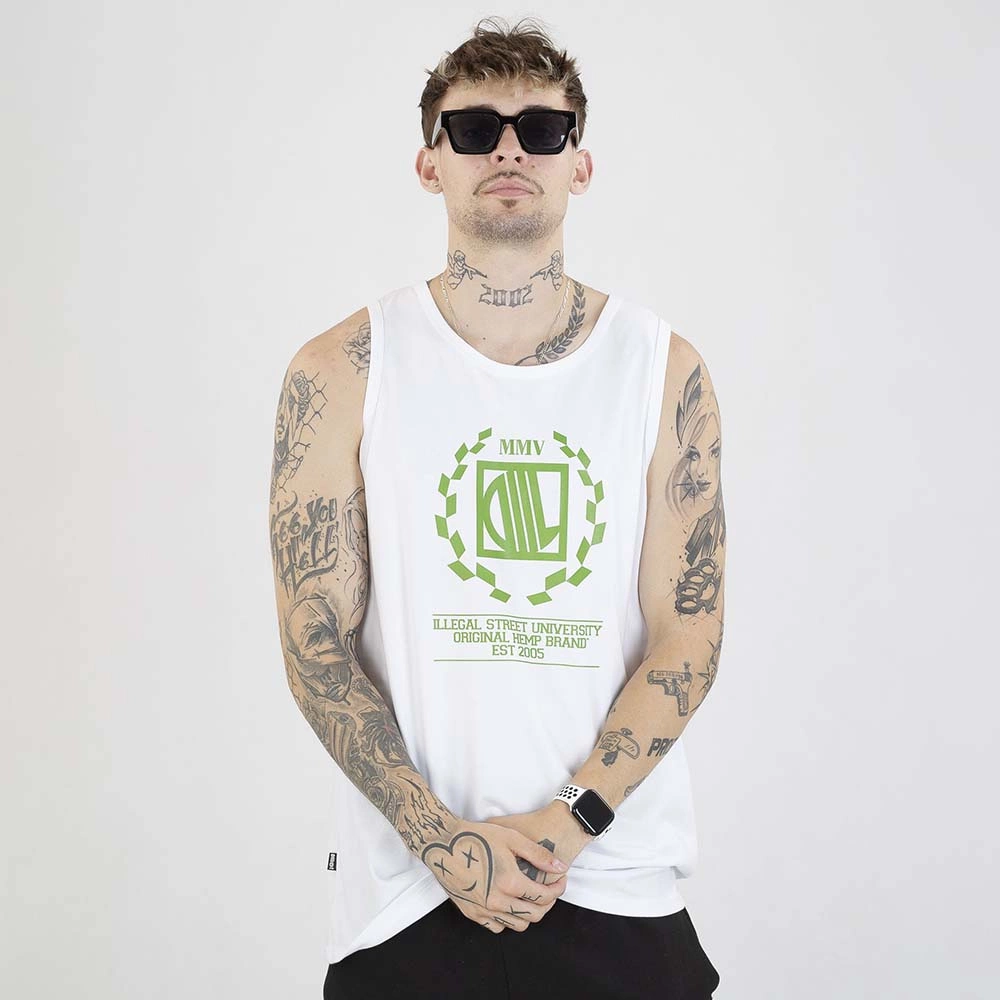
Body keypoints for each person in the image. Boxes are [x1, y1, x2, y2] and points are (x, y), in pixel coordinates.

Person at [268, 16, 725, 999]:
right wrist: (443, 841)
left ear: (580, 164)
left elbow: (687, 637)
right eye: (474, 129)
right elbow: (315, 645)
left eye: (541, 129)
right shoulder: (341, 371)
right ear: (429, 163)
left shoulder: (663, 371)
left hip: (614, 881)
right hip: (409, 895)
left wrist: (567, 824)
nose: (509, 150)